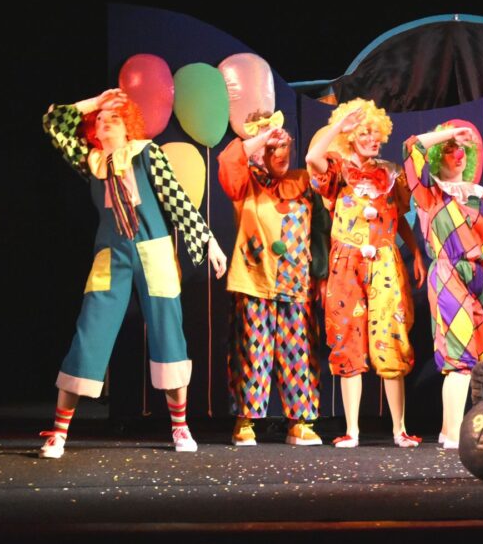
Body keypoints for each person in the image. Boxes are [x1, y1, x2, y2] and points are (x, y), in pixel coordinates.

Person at [40, 88, 227, 459]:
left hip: (153, 249)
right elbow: (53, 121)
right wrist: (95, 103)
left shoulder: (146, 153)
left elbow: (177, 199)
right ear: (94, 130)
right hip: (112, 254)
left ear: (128, 126)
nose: (107, 122)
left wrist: (209, 241)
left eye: (115, 118)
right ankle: (58, 433)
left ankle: (180, 427)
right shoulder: (91, 161)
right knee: (90, 332)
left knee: (168, 332)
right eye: (101, 120)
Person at [305, 99, 426, 447]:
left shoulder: (391, 173)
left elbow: (398, 216)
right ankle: (352, 431)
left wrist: (416, 251)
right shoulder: (338, 170)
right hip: (346, 264)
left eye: (375, 133)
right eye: (364, 133)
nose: (372, 139)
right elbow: (313, 157)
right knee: (347, 341)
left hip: (385, 261)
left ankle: (399, 429)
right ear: (350, 137)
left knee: (391, 339)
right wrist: (338, 126)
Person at [218, 111, 329, 446]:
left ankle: (300, 422)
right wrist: (263, 137)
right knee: (252, 353)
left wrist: (320, 274)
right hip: (255, 281)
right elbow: (229, 161)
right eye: (271, 149)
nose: (280, 155)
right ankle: (245, 421)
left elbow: (321, 230)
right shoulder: (246, 181)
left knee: (299, 354)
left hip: (297, 284)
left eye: (283, 148)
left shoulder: (302, 181)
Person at [402, 124, 483, 449]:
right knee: (459, 359)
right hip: (448, 275)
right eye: (449, 151)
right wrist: (449, 135)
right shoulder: (430, 193)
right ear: (437, 157)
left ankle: (449, 431)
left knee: (469, 361)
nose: (458, 154)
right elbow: (411, 146)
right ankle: (454, 434)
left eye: (461, 149)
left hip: (482, 279)